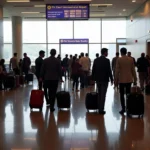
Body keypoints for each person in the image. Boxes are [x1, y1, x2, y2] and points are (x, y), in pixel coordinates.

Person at [115, 48, 137, 115]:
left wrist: (116, 79)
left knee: (121, 95)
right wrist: (135, 79)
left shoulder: (119, 59)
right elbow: (133, 70)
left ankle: (123, 109)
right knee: (128, 94)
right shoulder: (131, 59)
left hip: (121, 79)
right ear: (126, 52)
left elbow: (117, 70)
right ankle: (129, 108)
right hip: (129, 79)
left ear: (121, 52)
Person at [92, 48, 113, 114]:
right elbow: (109, 70)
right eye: (107, 52)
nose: (107, 53)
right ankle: (101, 109)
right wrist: (112, 79)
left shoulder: (96, 60)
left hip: (98, 79)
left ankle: (99, 107)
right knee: (103, 94)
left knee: (99, 94)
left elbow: (93, 70)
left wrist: (93, 78)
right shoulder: (107, 60)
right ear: (104, 52)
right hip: (105, 80)